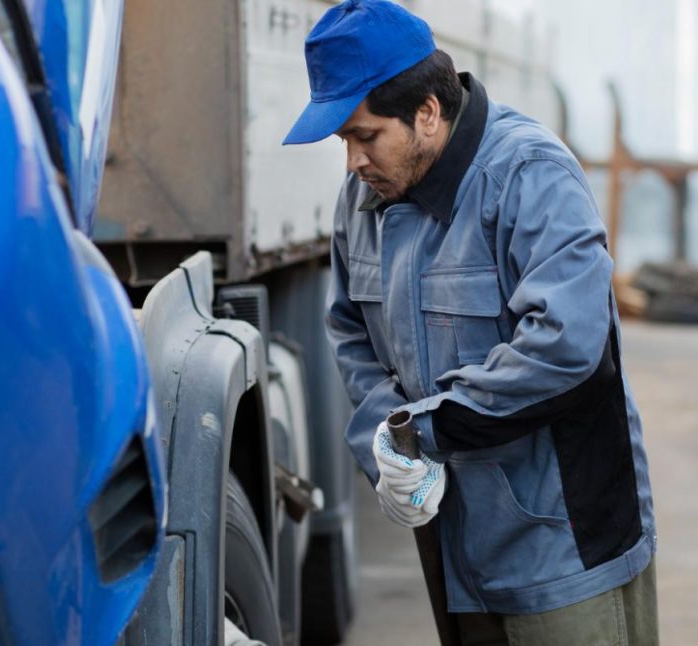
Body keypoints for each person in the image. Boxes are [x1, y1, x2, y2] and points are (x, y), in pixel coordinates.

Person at [282, 1, 658, 644]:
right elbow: (350, 330)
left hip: (561, 544)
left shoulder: (529, 174)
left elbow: (569, 350)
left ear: (427, 112)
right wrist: (384, 442)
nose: (353, 162)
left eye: (364, 135)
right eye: (344, 139)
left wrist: (418, 432)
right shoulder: (365, 198)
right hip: (455, 546)